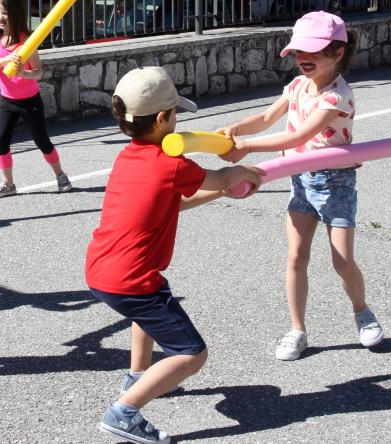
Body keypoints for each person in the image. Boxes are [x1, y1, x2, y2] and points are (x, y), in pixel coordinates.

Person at [86, 67, 262, 444]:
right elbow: (224, 177)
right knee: (192, 353)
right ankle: (124, 412)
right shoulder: (171, 164)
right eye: (176, 114)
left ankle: (138, 376)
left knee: (147, 311)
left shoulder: (128, 158)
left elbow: (170, 204)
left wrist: (222, 190)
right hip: (132, 279)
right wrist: (244, 172)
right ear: (164, 118)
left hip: (103, 271)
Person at [216, 11, 384, 361]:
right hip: (301, 180)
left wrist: (246, 148)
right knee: (295, 256)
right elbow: (265, 118)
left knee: (342, 262)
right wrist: (235, 129)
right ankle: (297, 329)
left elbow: (299, 135)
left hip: (334, 181)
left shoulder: (337, 97)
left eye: (313, 52)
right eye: (298, 52)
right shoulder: (295, 87)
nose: (303, 59)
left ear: (338, 53)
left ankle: (362, 311)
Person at [0, 0, 72, 198]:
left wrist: (24, 73)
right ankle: (8, 184)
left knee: (42, 140)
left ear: (16, 13)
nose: (0, 17)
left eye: (4, 13)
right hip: (7, 101)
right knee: (2, 141)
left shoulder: (26, 41)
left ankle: (60, 175)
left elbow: (38, 73)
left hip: (30, 101)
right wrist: (7, 59)